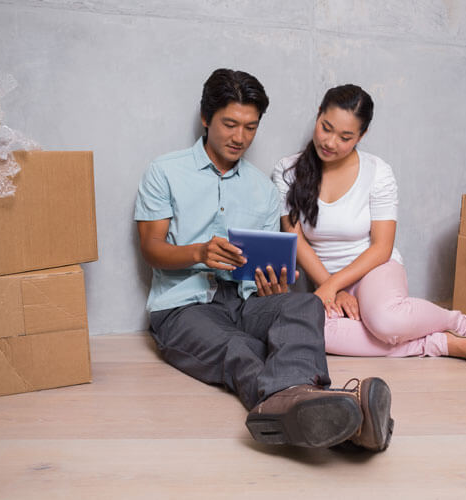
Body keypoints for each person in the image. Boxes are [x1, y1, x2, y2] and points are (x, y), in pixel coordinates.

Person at [134, 69, 393, 452]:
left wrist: (274, 287)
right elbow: (151, 248)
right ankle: (348, 422)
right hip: (183, 308)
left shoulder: (262, 188)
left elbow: (269, 267)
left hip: (243, 303)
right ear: (206, 118)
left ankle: (321, 413)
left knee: (305, 303)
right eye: (230, 124)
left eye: (251, 127)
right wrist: (200, 253)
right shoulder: (165, 171)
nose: (240, 137)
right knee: (241, 348)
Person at [272, 84, 466, 367]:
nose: (330, 142)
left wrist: (334, 285)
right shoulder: (287, 170)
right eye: (325, 128)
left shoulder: (378, 172)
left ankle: (465, 325)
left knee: (386, 322)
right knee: (310, 332)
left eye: (345, 137)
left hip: (374, 270)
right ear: (318, 115)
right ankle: (439, 343)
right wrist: (331, 288)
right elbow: (296, 240)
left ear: (361, 135)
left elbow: (382, 247)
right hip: (323, 278)